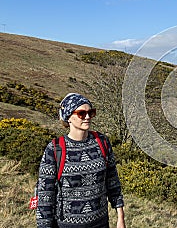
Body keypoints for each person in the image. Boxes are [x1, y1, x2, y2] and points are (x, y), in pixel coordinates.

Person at [36, 93, 125, 228]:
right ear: (68, 117)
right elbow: (45, 195)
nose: (88, 117)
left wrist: (120, 217)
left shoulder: (102, 142)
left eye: (91, 112)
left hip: (100, 223)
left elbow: (112, 181)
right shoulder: (54, 149)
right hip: (66, 225)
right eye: (81, 113)